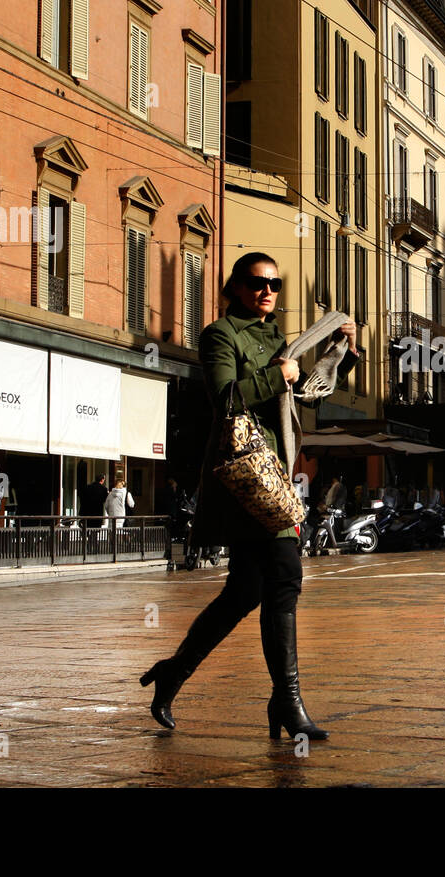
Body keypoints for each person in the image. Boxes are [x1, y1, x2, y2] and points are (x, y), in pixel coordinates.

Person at [141, 252, 358, 739]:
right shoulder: (221, 335)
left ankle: (173, 674)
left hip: (273, 473)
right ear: (235, 287)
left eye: (274, 284)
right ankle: (288, 701)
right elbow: (224, 397)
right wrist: (273, 375)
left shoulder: (276, 340)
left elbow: (302, 393)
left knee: (244, 592)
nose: (266, 290)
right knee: (284, 577)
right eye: (256, 282)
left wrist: (341, 355)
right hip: (243, 480)